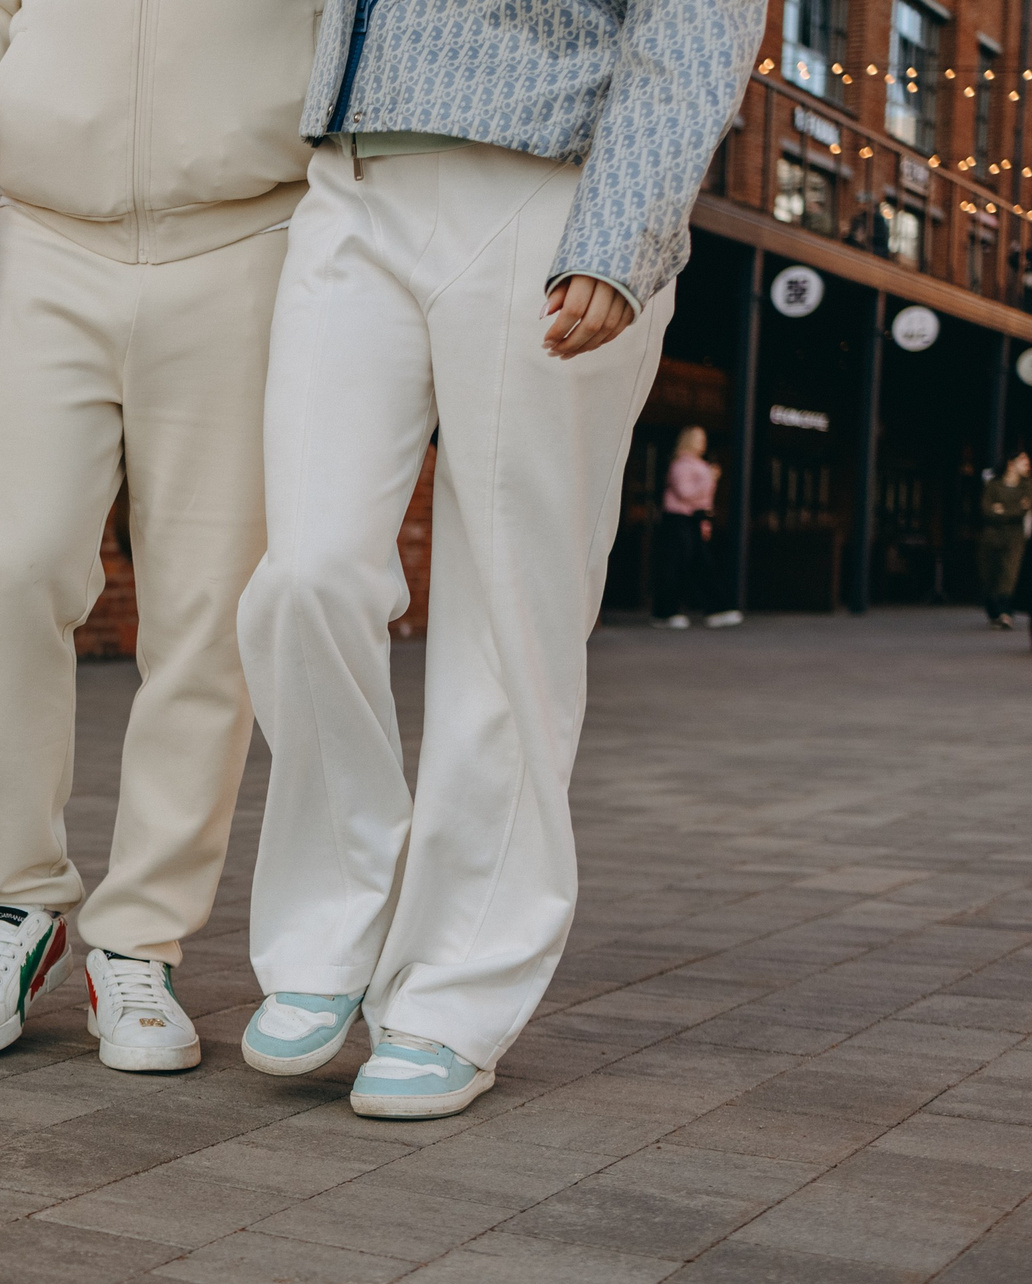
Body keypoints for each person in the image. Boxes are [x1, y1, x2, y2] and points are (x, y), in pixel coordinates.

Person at [234, 0, 763, 1119]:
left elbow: (699, 23)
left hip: (549, 185)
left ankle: (454, 994)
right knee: (304, 574)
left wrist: (621, 232)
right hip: (350, 178)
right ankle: (338, 914)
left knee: (511, 613)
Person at [0, 0, 319, 1072]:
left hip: (247, 238)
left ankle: (139, 939)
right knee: (3, 564)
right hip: (45, 240)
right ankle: (15, 909)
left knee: (209, 611)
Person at [650, 426, 738, 630]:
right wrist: (709, 477)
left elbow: (705, 501)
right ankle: (666, 612)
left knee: (699, 563)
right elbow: (685, 493)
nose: (702, 442)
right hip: (677, 519)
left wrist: (705, 524)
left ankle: (716, 609)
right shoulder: (681, 463)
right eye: (698, 438)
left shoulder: (701, 465)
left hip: (694, 520)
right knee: (676, 565)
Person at [977, 452, 1031, 631]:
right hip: (991, 535)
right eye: (1022, 460)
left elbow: (1024, 508)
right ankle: (994, 610)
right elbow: (986, 509)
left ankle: (1005, 612)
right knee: (990, 573)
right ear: (1010, 463)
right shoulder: (994, 485)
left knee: (1010, 572)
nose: (1027, 464)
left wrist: (1003, 510)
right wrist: (1013, 509)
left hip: (1015, 536)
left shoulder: (1027, 486)